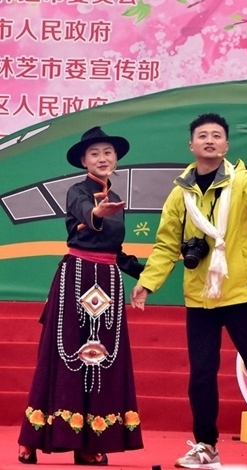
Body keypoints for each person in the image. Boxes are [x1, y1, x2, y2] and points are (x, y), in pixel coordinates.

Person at [129, 113, 247, 470]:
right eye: (202, 135)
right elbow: (166, 246)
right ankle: (206, 445)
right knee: (201, 373)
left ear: (226, 145)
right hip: (200, 297)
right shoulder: (180, 195)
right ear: (191, 145)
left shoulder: (242, 182)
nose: (209, 140)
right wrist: (147, 283)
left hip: (241, 293)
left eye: (216, 135)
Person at [18, 127, 144, 465]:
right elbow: (85, 210)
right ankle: (33, 437)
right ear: (84, 161)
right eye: (95, 154)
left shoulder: (115, 199)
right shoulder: (78, 192)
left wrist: (148, 274)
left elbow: (115, 251)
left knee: (101, 361)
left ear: (115, 159)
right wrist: (96, 215)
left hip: (108, 282)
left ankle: (89, 441)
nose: (102, 158)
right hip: (77, 279)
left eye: (107, 152)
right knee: (65, 356)